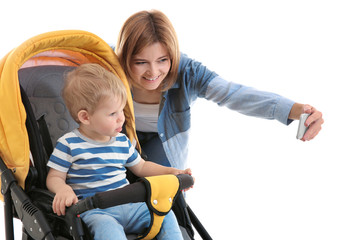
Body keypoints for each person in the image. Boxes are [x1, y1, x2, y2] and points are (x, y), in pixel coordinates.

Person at [114, 9, 324, 170]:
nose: (153, 72)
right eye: (141, 62)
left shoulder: (187, 71)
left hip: (163, 143)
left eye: (162, 60)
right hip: (114, 136)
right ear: (124, 57)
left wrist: (297, 110)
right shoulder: (106, 65)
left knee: (162, 194)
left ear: (172, 56)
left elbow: (234, 94)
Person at [46, 63, 192, 240]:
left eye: (122, 110)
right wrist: (63, 190)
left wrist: (172, 172)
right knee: (107, 228)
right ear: (85, 117)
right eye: (112, 113)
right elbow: (54, 177)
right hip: (96, 211)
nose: (121, 118)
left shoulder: (122, 141)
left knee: (164, 213)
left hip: (130, 204)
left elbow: (143, 167)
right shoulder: (69, 144)